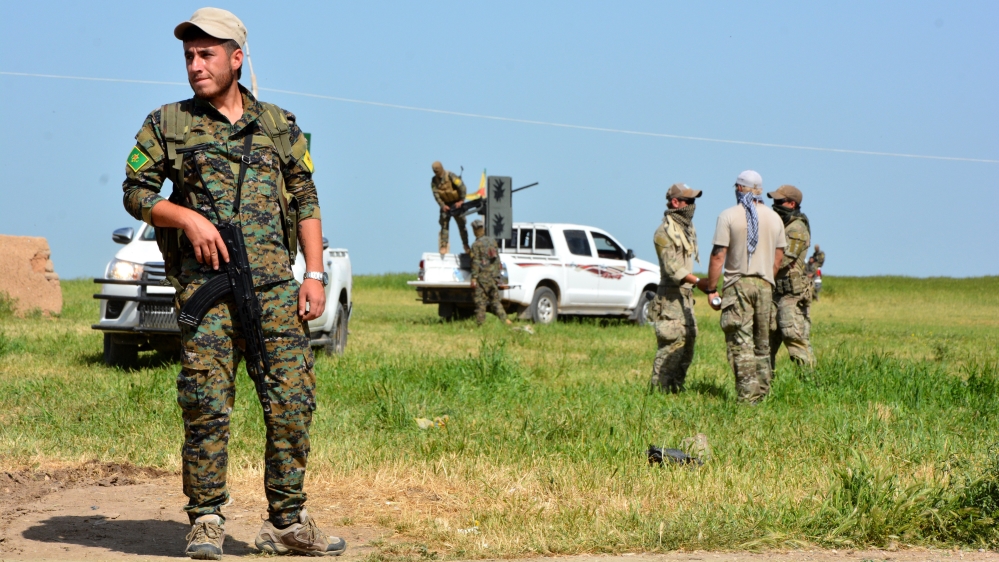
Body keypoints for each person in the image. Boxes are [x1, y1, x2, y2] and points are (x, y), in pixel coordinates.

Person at [121, 8, 345, 558]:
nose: (196, 66)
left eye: (207, 55)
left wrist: (312, 275)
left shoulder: (278, 124)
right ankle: (205, 521)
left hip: (274, 290)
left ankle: (287, 523)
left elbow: (307, 198)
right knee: (206, 404)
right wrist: (186, 217)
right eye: (189, 56)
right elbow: (134, 191)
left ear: (236, 59)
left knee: (292, 401)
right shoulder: (167, 123)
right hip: (206, 293)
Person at [697, 170, 786, 403]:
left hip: (738, 284)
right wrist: (767, 277)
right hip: (766, 284)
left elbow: (718, 255)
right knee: (762, 342)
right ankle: (763, 394)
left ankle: (747, 398)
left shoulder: (728, 216)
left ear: (739, 188)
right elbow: (779, 257)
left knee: (740, 341)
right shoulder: (775, 218)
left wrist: (711, 289)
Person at [649, 183, 711, 393]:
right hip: (670, 298)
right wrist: (698, 282)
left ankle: (676, 389)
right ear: (675, 203)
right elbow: (671, 267)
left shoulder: (685, 229)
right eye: (689, 201)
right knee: (670, 347)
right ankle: (659, 392)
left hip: (685, 298)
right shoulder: (663, 232)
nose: (692, 206)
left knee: (688, 346)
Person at [767, 185, 815, 367]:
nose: (775, 204)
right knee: (766, 341)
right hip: (775, 292)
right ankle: (764, 389)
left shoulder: (796, 228)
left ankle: (810, 386)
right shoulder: (782, 226)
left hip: (791, 294)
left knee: (794, 338)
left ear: (792, 203)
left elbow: (783, 260)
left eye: (779, 201)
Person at [469, 218, 511, 326]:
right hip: (493, 277)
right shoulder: (492, 241)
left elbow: (476, 262)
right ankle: (505, 320)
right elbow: (497, 260)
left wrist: (474, 278)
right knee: (495, 301)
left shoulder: (476, 245)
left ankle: (480, 325)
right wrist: (497, 276)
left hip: (482, 279)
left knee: (480, 303)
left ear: (474, 230)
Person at [431, 161, 469, 255]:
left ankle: (466, 245)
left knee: (462, 225)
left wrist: (461, 201)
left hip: (456, 204)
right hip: (445, 205)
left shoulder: (451, 176)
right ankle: (443, 246)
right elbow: (436, 194)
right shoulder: (434, 181)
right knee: (444, 225)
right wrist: (442, 205)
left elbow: (462, 187)